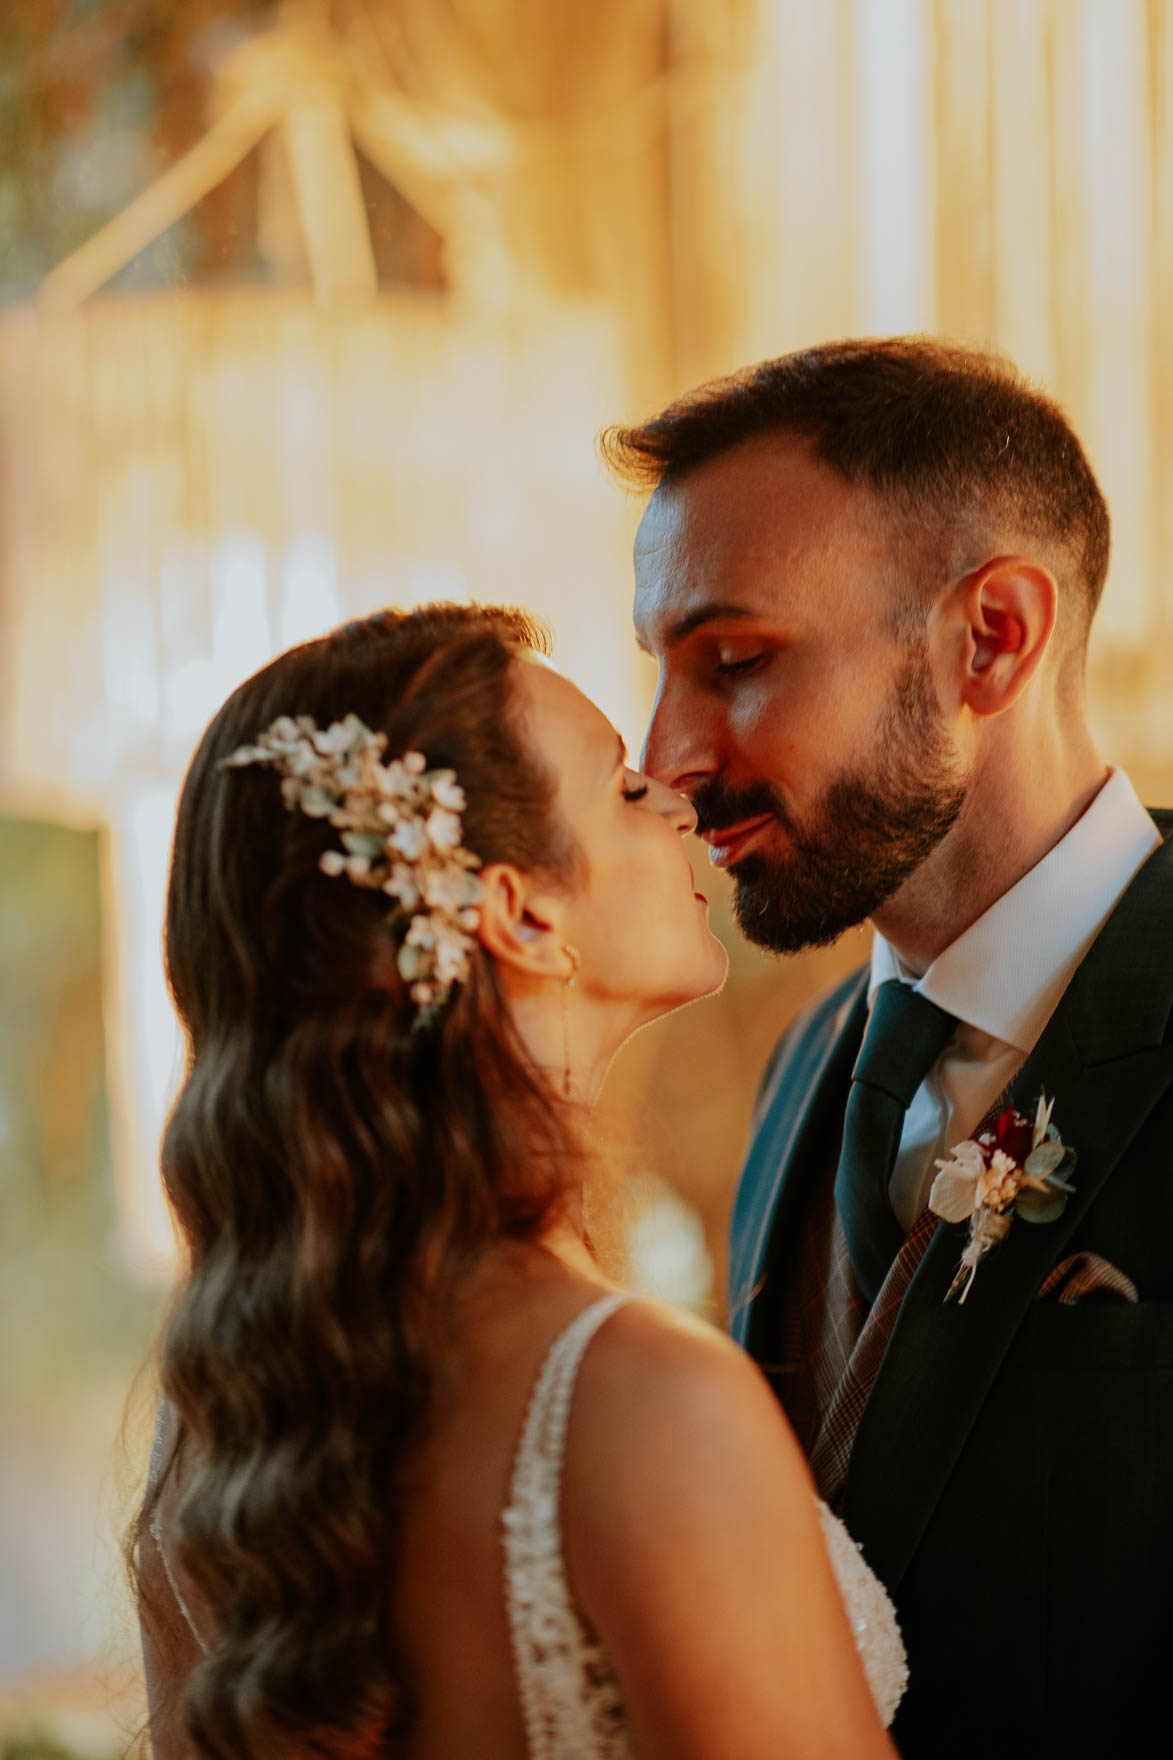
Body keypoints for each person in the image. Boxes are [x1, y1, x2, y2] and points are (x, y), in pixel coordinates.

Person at [131, 602, 905, 1760]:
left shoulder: (223, 1426)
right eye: (622, 789)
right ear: (521, 912)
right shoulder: (646, 1398)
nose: (679, 799)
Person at [606, 335, 1173, 1758]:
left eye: (733, 661)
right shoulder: (805, 1062)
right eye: (659, 672)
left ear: (991, 640)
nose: (664, 756)